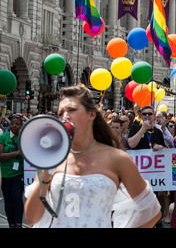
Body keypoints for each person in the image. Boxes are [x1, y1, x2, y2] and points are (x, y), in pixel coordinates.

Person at [24, 85, 161, 228]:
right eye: (60, 113)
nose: (65, 116)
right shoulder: (51, 159)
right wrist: (44, 177)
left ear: (91, 114)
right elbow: (32, 218)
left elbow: (151, 210)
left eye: (72, 110)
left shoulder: (117, 158)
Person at [0, 115, 25, 228]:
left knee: (17, 197)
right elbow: (1, 156)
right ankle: (11, 224)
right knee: (8, 199)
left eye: (17, 124)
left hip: (18, 173)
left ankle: (18, 223)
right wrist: (17, 153)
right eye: (12, 123)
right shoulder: (3, 137)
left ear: (21, 126)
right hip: (5, 173)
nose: (14, 126)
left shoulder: (24, 137)